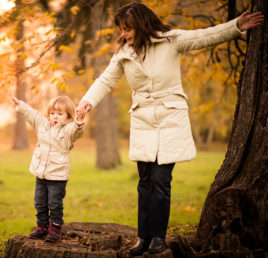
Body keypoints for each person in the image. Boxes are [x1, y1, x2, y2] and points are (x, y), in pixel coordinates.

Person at [76, 2, 264, 255]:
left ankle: (158, 237)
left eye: (127, 28)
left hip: (170, 118)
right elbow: (106, 79)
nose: (123, 33)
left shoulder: (170, 40)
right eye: (121, 29)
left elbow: (203, 36)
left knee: (161, 181)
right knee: (145, 182)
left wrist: (236, 26)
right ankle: (143, 237)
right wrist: (87, 101)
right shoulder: (124, 52)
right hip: (143, 120)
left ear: (141, 24)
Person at [12, 95, 85, 242]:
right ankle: (42, 226)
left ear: (69, 116)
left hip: (57, 176)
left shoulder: (68, 130)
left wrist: (79, 121)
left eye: (60, 114)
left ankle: (55, 229)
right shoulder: (42, 125)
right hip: (41, 173)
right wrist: (21, 105)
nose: (55, 117)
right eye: (52, 113)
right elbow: (32, 114)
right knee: (39, 201)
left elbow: (77, 131)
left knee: (54, 203)